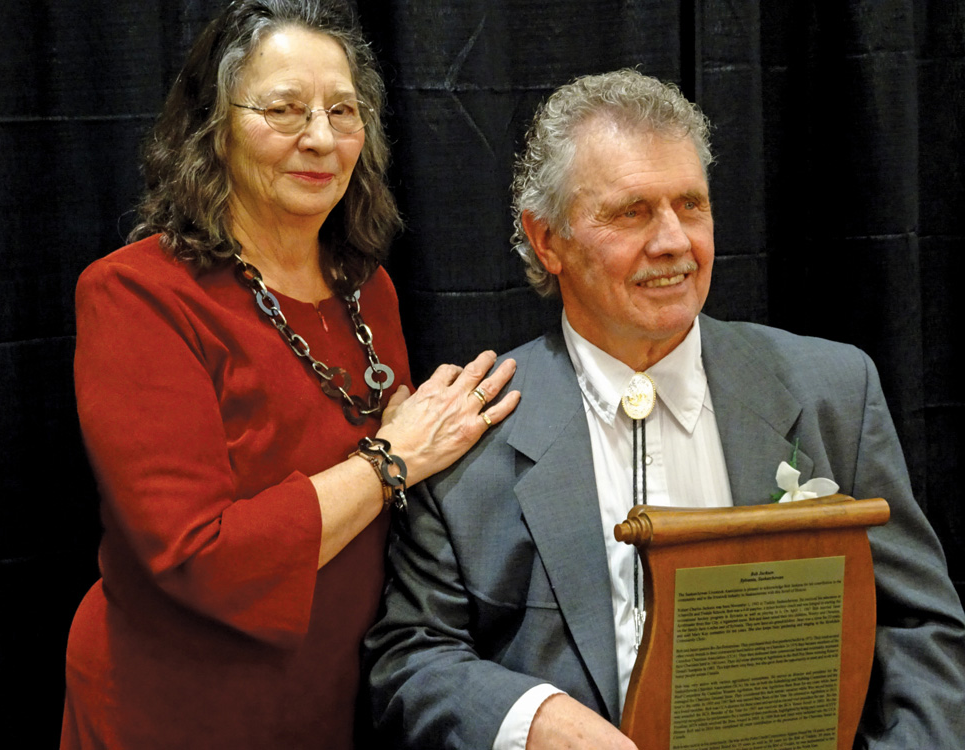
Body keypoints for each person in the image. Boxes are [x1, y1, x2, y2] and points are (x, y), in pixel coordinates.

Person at [364, 68, 965, 749]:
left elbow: (921, 631)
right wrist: (532, 720)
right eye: (632, 212)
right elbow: (412, 657)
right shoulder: (469, 431)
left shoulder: (832, 389)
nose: (675, 241)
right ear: (546, 239)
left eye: (692, 205)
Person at [60, 1, 519, 748]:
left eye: (343, 110)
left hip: (328, 693)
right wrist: (393, 458)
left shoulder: (368, 286)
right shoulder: (137, 293)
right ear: (213, 128)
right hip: (173, 705)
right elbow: (196, 556)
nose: (320, 138)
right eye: (284, 110)